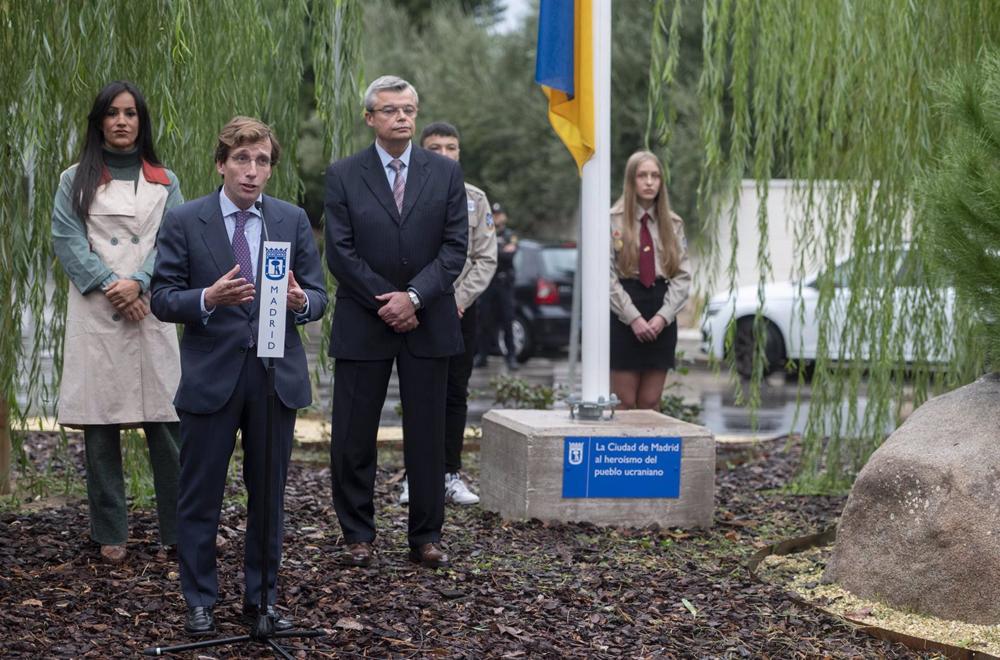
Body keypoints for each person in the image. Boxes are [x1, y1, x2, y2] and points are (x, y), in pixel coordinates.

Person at [151, 117, 327, 635]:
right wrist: (208, 297)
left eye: (263, 162)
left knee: (268, 495)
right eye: (242, 160)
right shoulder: (186, 220)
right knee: (200, 494)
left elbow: (319, 295)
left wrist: (301, 302)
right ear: (221, 163)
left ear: (271, 168)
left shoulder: (290, 220)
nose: (252, 172)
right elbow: (162, 298)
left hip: (275, 377)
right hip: (212, 376)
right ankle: (200, 598)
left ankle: (262, 598)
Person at [325, 76, 467, 570]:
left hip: (428, 320)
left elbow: (455, 250)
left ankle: (426, 536)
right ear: (370, 118)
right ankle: (357, 534)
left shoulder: (445, 174)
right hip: (364, 318)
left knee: (427, 435)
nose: (402, 118)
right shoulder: (343, 174)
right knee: (353, 434)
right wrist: (385, 300)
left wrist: (413, 298)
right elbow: (339, 252)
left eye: (409, 109)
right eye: (390, 110)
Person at [52, 80, 183, 566]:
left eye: (131, 113)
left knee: (168, 423)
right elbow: (67, 240)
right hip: (98, 311)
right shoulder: (74, 179)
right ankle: (109, 531)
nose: (122, 121)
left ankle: (178, 528)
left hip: (150, 308)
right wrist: (113, 284)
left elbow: (175, 241)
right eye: (112, 113)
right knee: (99, 426)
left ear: (142, 121)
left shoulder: (166, 180)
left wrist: (142, 282)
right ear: (99, 121)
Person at [397, 121, 497, 507]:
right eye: (434, 148)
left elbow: (485, 258)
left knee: (455, 391)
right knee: (417, 393)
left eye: (450, 148)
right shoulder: (404, 195)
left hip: (457, 309)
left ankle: (449, 473)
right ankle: (414, 476)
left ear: (459, 153)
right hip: (415, 306)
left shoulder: (474, 198)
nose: (443, 155)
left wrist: (458, 299)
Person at [609, 150, 692, 410]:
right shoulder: (612, 220)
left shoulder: (673, 223)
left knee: (650, 401)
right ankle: (622, 451)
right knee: (625, 401)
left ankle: (648, 450)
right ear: (631, 180)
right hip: (624, 309)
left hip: (660, 308)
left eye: (655, 176)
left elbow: (682, 275)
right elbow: (606, 276)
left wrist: (662, 316)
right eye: (642, 175)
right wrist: (633, 318)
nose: (649, 182)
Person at [474, 202, 519, 370]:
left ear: (504, 217)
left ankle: (511, 356)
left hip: (504, 283)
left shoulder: (509, 235)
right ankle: (482, 355)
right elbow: (482, 254)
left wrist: (496, 250)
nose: (497, 217)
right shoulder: (486, 233)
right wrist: (500, 250)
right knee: (484, 320)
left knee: (508, 321)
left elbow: (509, 256)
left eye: (499, 214)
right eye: (494, 214)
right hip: (488, 283)